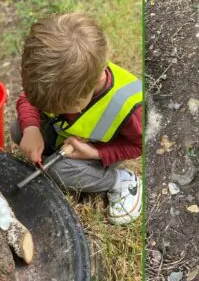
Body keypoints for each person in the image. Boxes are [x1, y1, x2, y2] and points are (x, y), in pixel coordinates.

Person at [13, 13, 144, 226]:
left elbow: (140, 146)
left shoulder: (130, 106)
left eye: (60, 107)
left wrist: (94, 153)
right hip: (65, 136)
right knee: (18, 129)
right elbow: (28, 99)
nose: (51, 109)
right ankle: (46, 156)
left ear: (96, 82)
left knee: (59, 172)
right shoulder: (65, 77)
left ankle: (121, 181)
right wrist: (31, 129)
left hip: (96, 151)